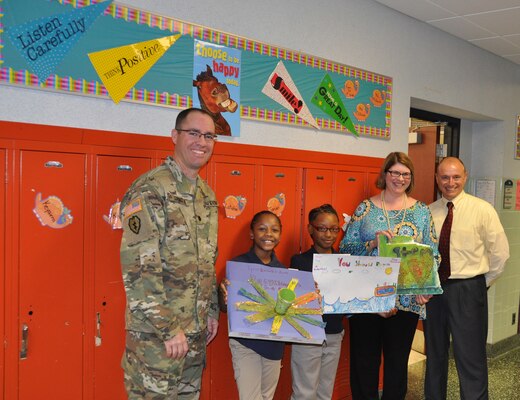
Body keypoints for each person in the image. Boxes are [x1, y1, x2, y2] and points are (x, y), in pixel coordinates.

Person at [119, 108, 220, 399]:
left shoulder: (206, 196)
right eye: (193, 133)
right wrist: (169, 328)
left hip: (195, 334)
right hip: (157, 339)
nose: (201, 141)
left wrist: (211, 310)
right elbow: (139, 269)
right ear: (174, 136)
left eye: (209, 135)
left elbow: (207, 261)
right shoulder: (150, 189)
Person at [340, 151, 438, 400]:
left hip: (405, 299)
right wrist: (372, 243)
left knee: (397, 365)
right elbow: (345, 250)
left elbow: (432, 254)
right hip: (367, 297)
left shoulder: (422, 212)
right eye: (394, 172)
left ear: (411, 177)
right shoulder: (365, 208)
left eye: (405, 174)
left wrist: (425, 288)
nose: (400, 178)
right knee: (364, 363)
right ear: (385, 174)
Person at [424, 157, 510, 400]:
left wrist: (480, 285)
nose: (450, 182)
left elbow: (500, 255)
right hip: (434, 291)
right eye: (444, 177)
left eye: (456, 177)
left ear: (465, 176)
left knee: (470, 358)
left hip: (468, 289)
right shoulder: (429, 212)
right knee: (435, 356)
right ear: (437, 179)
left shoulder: (482, 209)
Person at [219, 210, 285, 400]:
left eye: (274, 230)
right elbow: (224, 308)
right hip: (246, 344)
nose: (268, 234)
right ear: (251, 234)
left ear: (280, 235)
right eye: (262, 229)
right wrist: (224, 295)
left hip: (273, 346)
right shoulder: (238, 265)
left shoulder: (282, 271)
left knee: (267, 397)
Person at [290, 204, 345, 400]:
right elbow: (293, 302)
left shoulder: (344, 261)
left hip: (334, 333)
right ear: (310, 229)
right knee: (304, 391)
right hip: (307, 334)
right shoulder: (299, 261)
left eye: (334, 229)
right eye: (322, 228)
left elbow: (351, 298)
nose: (328, 234)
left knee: (325, 390)